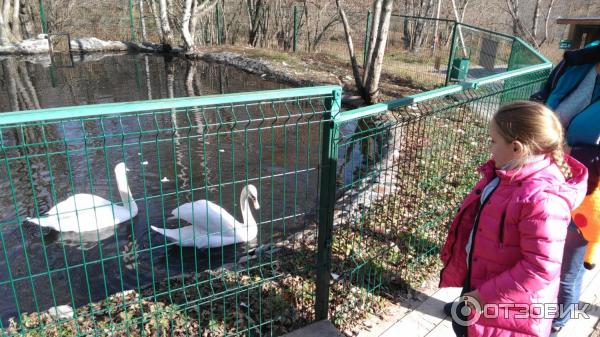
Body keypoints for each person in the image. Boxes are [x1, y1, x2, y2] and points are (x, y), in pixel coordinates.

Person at [439, 101, 588, 337]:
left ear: (517, 148)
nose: (490, 148)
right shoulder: (506, 173)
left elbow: (539, 269)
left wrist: (482, 296)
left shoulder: (542, 200)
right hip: (484, 280)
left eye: (494, 141)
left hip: (507, 307)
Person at [530, 42, 600, 335]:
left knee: (568, 267)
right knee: (533, 252)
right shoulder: (580, 61)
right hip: (543, 172)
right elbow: (547, 98)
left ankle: (556, 324)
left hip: (588, 191)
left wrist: (575, 152)